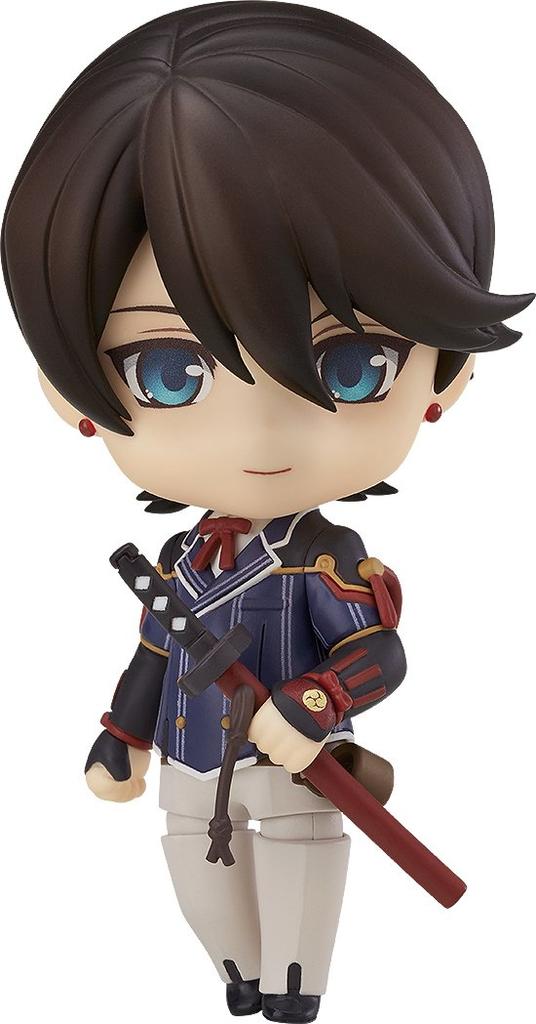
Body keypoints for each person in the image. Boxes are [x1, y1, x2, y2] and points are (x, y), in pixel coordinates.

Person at [2, 4, 532, 1021]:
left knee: (296, 875)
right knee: (195, 877)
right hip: (191, 758)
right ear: (71, 397)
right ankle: (238, 977)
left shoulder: (324, 560)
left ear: (447, 373)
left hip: (295, 766)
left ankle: (296, 987)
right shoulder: (179, 564)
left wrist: (316, 703)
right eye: (169, 372)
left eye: (349, 364)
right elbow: (155, 653)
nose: (259, 436)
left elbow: (378, 651)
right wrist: (123, 732)